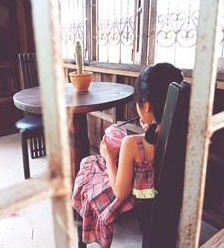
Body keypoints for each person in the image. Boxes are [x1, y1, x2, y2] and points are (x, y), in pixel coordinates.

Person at [71, 62, 184, 247]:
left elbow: (120, 191)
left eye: (138, 102)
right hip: (163, 194)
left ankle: (82, 220)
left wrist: (108, 156)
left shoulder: (131, 143)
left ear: (146, 105)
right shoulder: (176, 133)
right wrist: (150, 129)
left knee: (88, 164)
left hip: (132, 195)